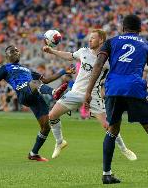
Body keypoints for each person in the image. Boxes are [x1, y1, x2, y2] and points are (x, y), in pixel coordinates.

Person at [84, 15, 148, 185]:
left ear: (123, 28)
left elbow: (98, 65)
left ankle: (107, 173)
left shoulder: (111, 42)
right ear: (140, 29)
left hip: (113, 89)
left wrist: (88, 91)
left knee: (112, 130)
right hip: (135, 88)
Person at [43, 29, 137, 160]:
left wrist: (140, 82)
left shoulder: (107, 60)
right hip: (75, 92)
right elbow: (69, 55)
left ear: (101, 40)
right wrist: (52, 51)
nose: (89, 40)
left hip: (93, 95)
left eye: (93, 38)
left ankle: (124, 149)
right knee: (52, 115)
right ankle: (59, 142)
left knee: (107, 125)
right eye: (90, 37)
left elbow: (123, 72)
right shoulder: (83, 52)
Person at [0, 45, 75, 162]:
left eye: (17, 50)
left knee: (46, 127)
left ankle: (33, 153)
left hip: (35, 96)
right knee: (35, 83)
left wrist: (63, 71)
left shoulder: (27, 70)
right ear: (7, 55)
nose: (16, 52)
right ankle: (54, 92)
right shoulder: (4, 68)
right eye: (12, 51)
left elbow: (46, 80)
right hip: (23, 93)